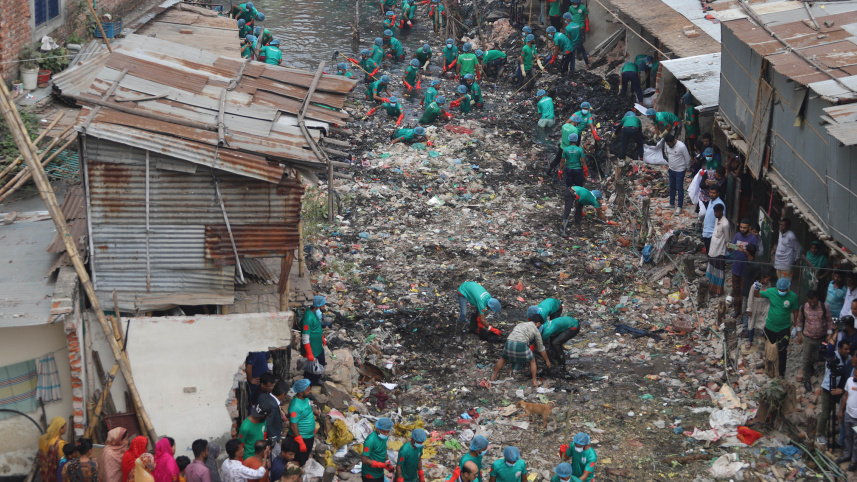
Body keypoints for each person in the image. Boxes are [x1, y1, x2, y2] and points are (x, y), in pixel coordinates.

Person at [754, 278, 799, 378]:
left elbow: (796, 312)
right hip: (770, 327)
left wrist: (796, 327)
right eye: (780, 290)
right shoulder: (771, 292)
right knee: (768, 347)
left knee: (782, 350)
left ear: (788, 288)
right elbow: (757, 295)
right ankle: (768, 365)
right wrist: (756, 288)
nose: (781, 292)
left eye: (784, 290)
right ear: (777, 287)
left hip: (784, 329)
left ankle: (781, 372)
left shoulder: (793, 297)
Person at [490, 318, 552, 387]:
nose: (539, 327)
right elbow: (541, 348)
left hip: (509, 342)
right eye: (539, 325)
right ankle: (534, 381)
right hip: (520, 344)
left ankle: (493, 377)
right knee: (532, 360)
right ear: (537, 323)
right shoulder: (536, 330)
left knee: (503, 358)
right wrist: (547, 361)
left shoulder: (521, 324)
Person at [545, 133, 586, 236]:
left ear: (569, 140)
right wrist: (585, 170)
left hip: (569, 170)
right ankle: (578, 217)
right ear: (577, 141)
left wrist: (560, 170)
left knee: (569, 189)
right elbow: (583, 161)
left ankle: (569, 199)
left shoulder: (566, 150)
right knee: (579, 191)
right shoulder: (580, 150)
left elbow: (562, 161)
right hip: (577, 171)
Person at [796, 289, 833, 391]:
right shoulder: (804, 307)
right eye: (810, 301)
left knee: (819, 357)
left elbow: (829, 321)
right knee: (806, 359)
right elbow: (799, 320)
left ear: (817, 298)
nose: (812, 303)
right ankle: (806, 380)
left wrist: (829, 334)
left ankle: (810, 365)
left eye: (814, 301)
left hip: (821, 337)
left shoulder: (824, 307)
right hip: (808, 337)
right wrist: (799, 334)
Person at [817, 340, 851, 445]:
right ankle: (820, 434)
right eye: (845, 349)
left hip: (842, 391)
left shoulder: (850, 359)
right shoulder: (832, 356)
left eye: (849, 349)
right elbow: (830, 347)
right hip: (829, 389)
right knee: (825, 413)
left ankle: (842, 438)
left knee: (844, 414)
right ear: (839, 349)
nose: (847, 351)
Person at [729, 219, 760, 317]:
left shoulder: (753, 238)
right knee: (736, 291)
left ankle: (743, 314)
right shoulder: (737, 235)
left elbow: (753, 254)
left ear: (749, 228)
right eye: (741, 227)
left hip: (746, 271)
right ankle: (736, 310)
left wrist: (744, 250)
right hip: (736, 268)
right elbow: (731, 250)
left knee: (744, 294)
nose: (742, 229)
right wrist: (729, 246)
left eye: (744, 227)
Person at [287, 379, 316, 466]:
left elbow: (307, 409)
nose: (310, 391)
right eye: (308, 390)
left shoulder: (306, 398)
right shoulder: (295, 406)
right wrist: (300, 441)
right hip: (302, 438)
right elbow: (293, 425)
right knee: (298, 461)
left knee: (305, 458)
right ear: (300, 392)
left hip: (309, 436)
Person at [837, 351, 857, 472]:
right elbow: (845, 395)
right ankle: (846, 455)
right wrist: (841, 411)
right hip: (848, 414)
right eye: (854, 375)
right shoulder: (849, 380)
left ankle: (854, 461)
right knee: (848, 437)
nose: (855, 377)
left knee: (856, 441)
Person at [745, 268, 774, 347]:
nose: (768, 282)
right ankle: (750, 340)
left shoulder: (769, 285)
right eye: (767, 280)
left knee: (764, 321)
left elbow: (769, 295)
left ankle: (762, 337)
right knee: (752, 322)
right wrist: (749, 309)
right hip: (755, 306)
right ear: (762, 278)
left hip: (764, 305)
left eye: (769, 280)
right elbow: (750, 298)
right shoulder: (754, 286)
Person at [663, 133, 690, 215]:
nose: (668, 145)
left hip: (680, 170)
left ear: (674, 141)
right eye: (667, 144)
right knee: (672, 187)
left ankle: (679, 206)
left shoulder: (681, 146)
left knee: (679, 188)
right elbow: (666, 153)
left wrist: (687, 168)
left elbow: (687, 158)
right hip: (671, 169)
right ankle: (671, 203)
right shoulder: (666, 144)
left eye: (670, 144)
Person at [705, 203, 729, 296]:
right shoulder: (716, 220)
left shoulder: (725, 223)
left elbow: (727, 239)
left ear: (721, 211)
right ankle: (710, 288)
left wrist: (730, 248)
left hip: (720, 250)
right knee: (711, 269)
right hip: (713, 249)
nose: (715, 214)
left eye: (717, 212)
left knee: (719, 272)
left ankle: (718, 291)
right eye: (714, 212)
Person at [258, 377, 287, 452]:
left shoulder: (262, 396)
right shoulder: (274, 406)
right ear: (283, 394)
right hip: (270, 437)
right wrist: (274, 439)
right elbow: (268, 424)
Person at [362, 417, 394, 481]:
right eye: (384, 432)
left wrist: (387, 462)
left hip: (380, 473)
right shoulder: (370, 440)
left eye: (388, 432)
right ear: (377, 429)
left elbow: (384, 449)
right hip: (370, 474)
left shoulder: (385, 437)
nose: (386, 434)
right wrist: (381, 465)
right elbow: (364, 459)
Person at [739, 244, 760, 337]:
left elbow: (755, 280)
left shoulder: (754, 265)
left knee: (747, 310)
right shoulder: (752, 262)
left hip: (749, 291)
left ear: (748, 252)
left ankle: (747, 329)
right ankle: (746, 328)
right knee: (746, 310)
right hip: (747, 289)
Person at [39, 417, 68, 482]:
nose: (66, 428)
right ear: (60, 429)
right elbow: (63, 462)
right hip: (55, 475)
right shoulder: (60, 444)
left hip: (45, 473)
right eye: (65, 426)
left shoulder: (42, 439)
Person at [701, 186, 725, 252]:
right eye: (710, 192)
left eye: (714, 193)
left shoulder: (719, 204)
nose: (711, 194)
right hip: (707, 231)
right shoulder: (711, 201)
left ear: (718, 193)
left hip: (713, 233)